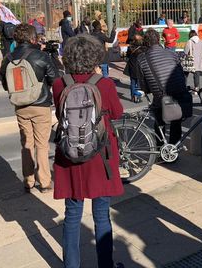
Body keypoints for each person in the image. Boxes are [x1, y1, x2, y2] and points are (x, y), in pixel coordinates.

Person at [52, 35, 124, 268]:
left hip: (69, 153)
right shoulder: (104, 84)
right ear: (94, 57)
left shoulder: (59, 84)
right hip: (99, 154)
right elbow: (116, 113)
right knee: (101, 214)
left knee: (72, 215)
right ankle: (106, 264)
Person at [0, 24, 58, 193]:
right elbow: (55, 79)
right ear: (33, 38)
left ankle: (28, 180)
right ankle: (45, 182)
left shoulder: (8, 58)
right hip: (40, 105)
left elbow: (6, 85)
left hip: (20, 106)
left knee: (26, 143)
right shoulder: (41, 56)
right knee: (42, 145)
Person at [136, 29, 192, 145]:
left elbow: (143, 83)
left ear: (146, 43)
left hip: (160, 94)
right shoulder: (171, 53)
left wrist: (147, 90)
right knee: (176, 121)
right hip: (178, 91)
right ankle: (173, 149)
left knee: (159, 119)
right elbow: (180, 73)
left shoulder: (141, 58)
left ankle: (161, 148)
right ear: (158, 40)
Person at [124, 34, 144, 103]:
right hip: (139, 68)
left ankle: (133, 97)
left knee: (132, 83)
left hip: (131, 66)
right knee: (139, 84)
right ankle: (137, 97)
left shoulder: (130, 47)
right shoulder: (142, 49)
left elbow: (127, 56)